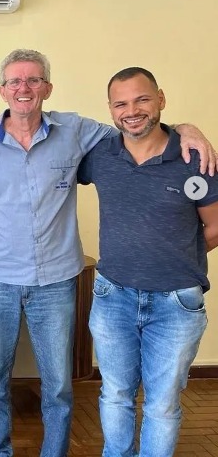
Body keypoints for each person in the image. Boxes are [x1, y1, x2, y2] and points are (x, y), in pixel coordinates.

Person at [0, 49, 216, 457]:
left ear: (48, 88)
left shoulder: (76, 131)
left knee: (58, 385)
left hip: (56, 282)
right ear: (3, 91)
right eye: (15, 81)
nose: (24, 88)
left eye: (33, 80)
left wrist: (186, 129)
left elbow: (138, 130)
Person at [77, 67, 218, 457]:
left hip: (177, 304)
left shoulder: (193, 157)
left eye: (142, 99)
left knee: (162, 404)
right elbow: (48, 143)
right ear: (110, 109)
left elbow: (215, 225)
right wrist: (5, 123)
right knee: (115, 393)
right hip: (112, 297)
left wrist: (173, 254)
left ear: (161, 99)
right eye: (121, 103)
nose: (132, 111)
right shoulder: (100, 155)